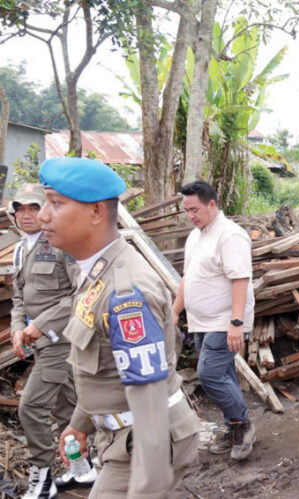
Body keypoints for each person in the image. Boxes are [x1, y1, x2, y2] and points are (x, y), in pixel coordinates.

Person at [37, 157, 200, 496]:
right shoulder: (96, 273)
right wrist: (80, 424)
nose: (42, 215)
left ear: (96, 212)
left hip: (146, 443)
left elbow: (150, 405)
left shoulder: (126, 293)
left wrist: (146, 488)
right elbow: (103, 366)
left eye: (55, 203)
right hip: (120, 437)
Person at [8, 184, 91, 499]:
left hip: (62, 341)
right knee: (68, 408)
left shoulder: (62, 243)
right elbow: (19, 297)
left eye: (32, 207)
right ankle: (82, 470)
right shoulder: (21, 248)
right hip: (39, 343)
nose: (26, 215)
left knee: (30, 407)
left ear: (45, 210)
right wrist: (18, 328)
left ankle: (41, 478)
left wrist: (40, 325)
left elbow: (81, 293)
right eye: (20, 209)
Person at [172, 181, 256, 461]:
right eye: (186, 211)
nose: (190, 216)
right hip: (202, 322)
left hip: (224, 321)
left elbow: (240, 278)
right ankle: (235, 427)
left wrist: (235, 322)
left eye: (194, 209)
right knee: (224, 374)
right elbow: (187, 278)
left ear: (212, 204)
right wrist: (175, 310)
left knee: (209, 373)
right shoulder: (196, 236)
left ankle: (242, 424)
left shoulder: (230, 235)